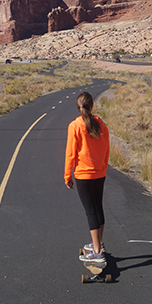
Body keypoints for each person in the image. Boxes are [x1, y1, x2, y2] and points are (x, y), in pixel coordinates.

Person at [64, 91, 110, 263]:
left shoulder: (75, 126)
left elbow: (70, 154)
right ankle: (98, 243)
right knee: (98, 208)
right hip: (100, 172)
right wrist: (104, 166)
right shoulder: (100, 122)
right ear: (92, 106)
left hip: (83, 174)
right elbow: (106, 145)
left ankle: (97, 251)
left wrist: (67, 175)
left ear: (79, 108)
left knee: (90, 211)